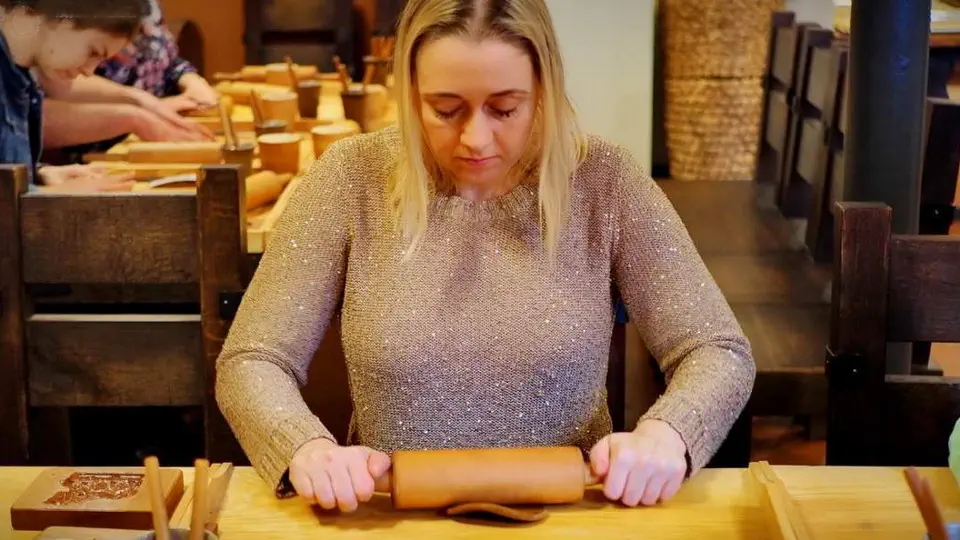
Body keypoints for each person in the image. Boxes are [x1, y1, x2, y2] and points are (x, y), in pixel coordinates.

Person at [215, 0, 756, 512]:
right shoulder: (351, 177)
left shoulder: (603, 180)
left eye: (504, 108)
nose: (475, 138)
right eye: (445, 110)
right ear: (410, 91)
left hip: (571, 516)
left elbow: (718, 351)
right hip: (394, 516)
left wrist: (667, 432)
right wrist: (304, 446)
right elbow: (251, 359)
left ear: (543, 87)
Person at [39, 0, 214, 161]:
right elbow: (55, 88)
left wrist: (188, 79)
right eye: (94, 53)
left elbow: (164, 57)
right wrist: (134, 114)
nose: (88, 71)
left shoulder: (148, 6)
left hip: (144, 128)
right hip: (95, 150)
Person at [0, 0, 144, 191]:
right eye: (93, 52)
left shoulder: (22, 76)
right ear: (62, 19)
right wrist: (52, 195)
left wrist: (40, 174)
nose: (89, 71)